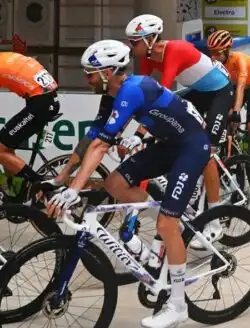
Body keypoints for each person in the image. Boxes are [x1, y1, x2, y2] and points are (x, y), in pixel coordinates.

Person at [46, 40, 210, 328]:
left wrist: (74, 191)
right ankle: (172, 223)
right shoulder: (110, 95)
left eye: (91, 73)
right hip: (168, 144)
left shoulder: (132, 90)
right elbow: (90, 141)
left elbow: (99, 147)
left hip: (191, 146)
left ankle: (178, 305)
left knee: (165, 225)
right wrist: (64, 177)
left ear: (109, 72)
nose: (88, 79)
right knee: (114, 182)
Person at [125, 14, 233, 245]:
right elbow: (140, 97)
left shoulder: (173, 50)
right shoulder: (148, 57)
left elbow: (161, 96)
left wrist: (140, 133)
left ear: (151, 39)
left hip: (219, 93)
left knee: (206, 152)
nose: (130, 46)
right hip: (199, 92)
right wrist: (133, 129)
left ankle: (215, 220)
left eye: (134, 42)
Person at [206, 30, 250, 167]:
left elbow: (241, 86)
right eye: (211, 52)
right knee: (224, 116)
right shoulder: (216, 63)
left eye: (217, 53)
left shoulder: (240, 59)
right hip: (235, 87)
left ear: (227, 50)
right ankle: (233, 147)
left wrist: (236, 112)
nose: (213, 57)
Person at [0, 53, 60, 188]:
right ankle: (13, 189)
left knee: (0, 150)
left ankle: (41, 185)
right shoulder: (4, 57)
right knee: (6, 145)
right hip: (46, 101)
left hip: (41, 105)